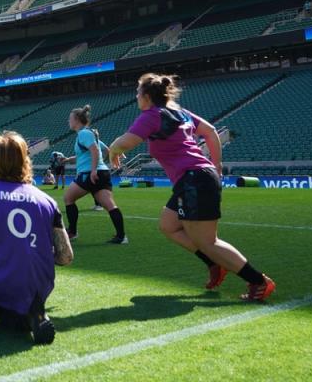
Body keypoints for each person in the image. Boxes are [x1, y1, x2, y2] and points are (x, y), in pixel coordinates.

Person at [108, 73, 275, 302]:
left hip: (194, 180)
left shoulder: (151, 115)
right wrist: (215, 166)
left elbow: (126, 142)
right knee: (169, 225)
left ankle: (258, 281)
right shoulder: (180, 112)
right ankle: (213, 262)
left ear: (146, 96)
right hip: (195, 178)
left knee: (208, 241)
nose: (136, 96)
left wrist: (113, 150)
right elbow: (210, 132)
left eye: (137, 92)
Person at [0, 131, 72, 344]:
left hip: (2, 279)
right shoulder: (47, 201)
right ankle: (34, 313)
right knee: (15, 313)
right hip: (38, 284)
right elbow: (66, 257)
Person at [64, 105, 127, 244]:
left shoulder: (83, 134)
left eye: (70, 119)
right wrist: (69, 160)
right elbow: (105, 150)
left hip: (90, 174)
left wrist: (93, 170)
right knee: (110, 205)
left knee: (68, 198)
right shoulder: (90, 133)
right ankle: (122, 237)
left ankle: (72, 232)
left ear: (76, 120)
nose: (68, 121)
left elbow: (94, 151)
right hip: (102, 172)